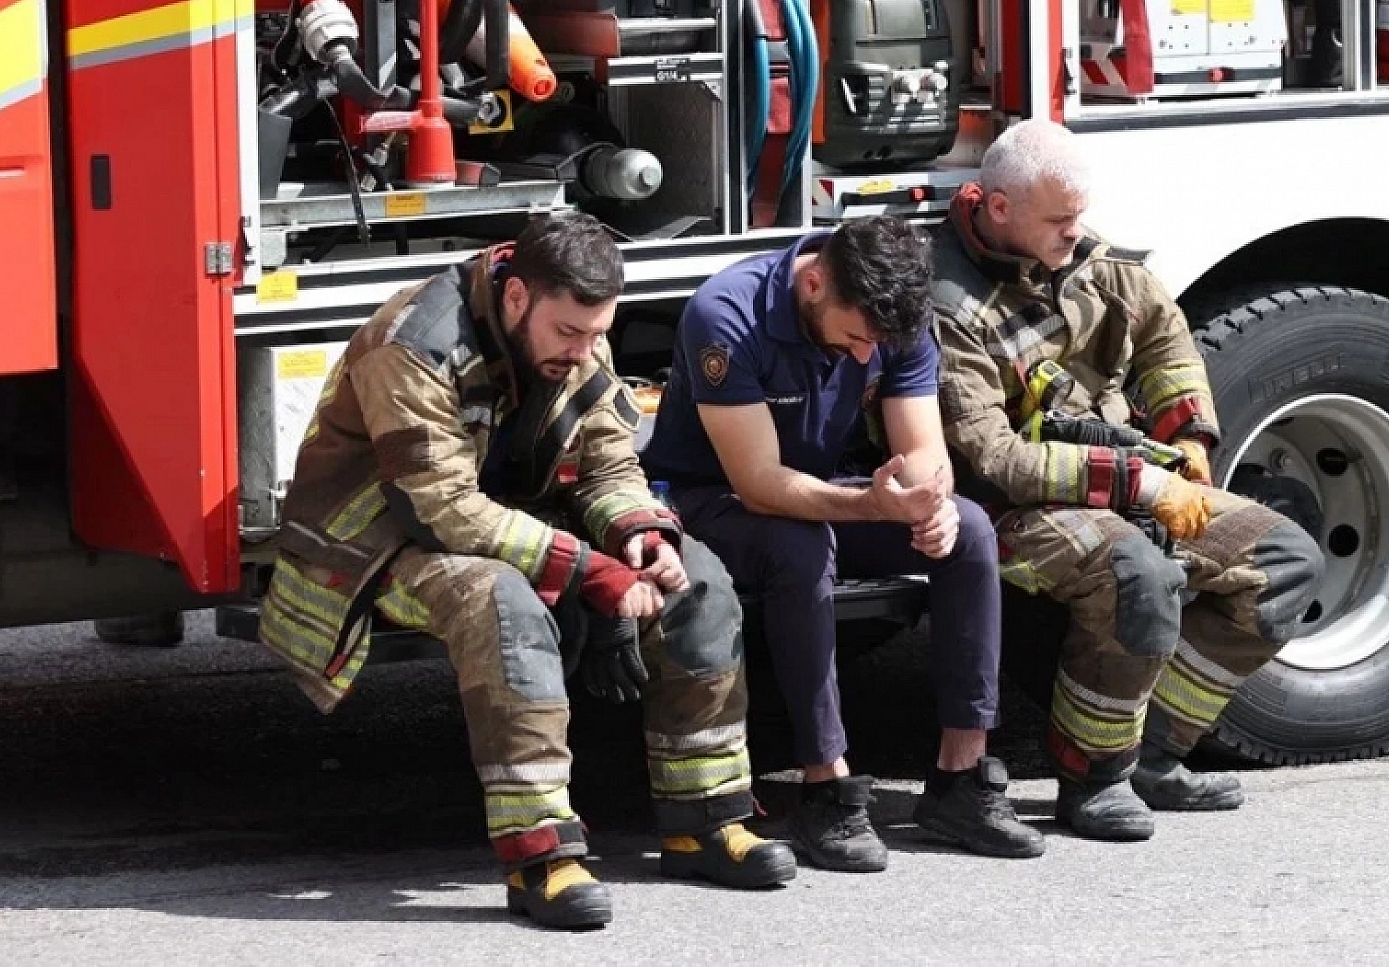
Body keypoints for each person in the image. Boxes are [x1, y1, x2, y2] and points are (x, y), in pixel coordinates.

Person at [256, 212, 795, 929]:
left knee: (696, 581)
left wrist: (640, 534)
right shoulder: (410, 345)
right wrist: (589, 570)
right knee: (504, 604)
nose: (585, 351)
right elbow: (442, 508)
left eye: (597, 334)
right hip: (380, 542)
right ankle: (540, 857)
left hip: (512, 522)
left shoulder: (577, 335)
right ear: (516, 297)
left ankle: (706, 823)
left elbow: (608, 464)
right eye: (570, 333)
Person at [929, 119, 1325, 842]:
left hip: (1127, 476)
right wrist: (1141, 487)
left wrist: (1191, 435)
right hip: (1011, 506)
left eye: (1079, 217)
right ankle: (1095, 778)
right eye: (1059, 220)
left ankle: (1156, 754)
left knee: (1285, 562)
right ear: (998, 208)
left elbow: (1165, 335)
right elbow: (996, 461)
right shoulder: (950, 305)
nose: (1076, 234)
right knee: (1136, 576)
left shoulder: (1084, 255)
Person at [643, 216, 1046, 871]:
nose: (864, 358)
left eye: (875, 346)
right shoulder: (726, 314)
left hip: (825, 490)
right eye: (856, 338)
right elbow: (758, 483)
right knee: (800, 548)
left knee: (969, 531)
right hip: (713, 498)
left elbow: (923, 448)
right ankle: (824, 786)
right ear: (814, 284)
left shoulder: (893, 316)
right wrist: (871, 505)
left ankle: (961, 777)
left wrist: (929, 504)